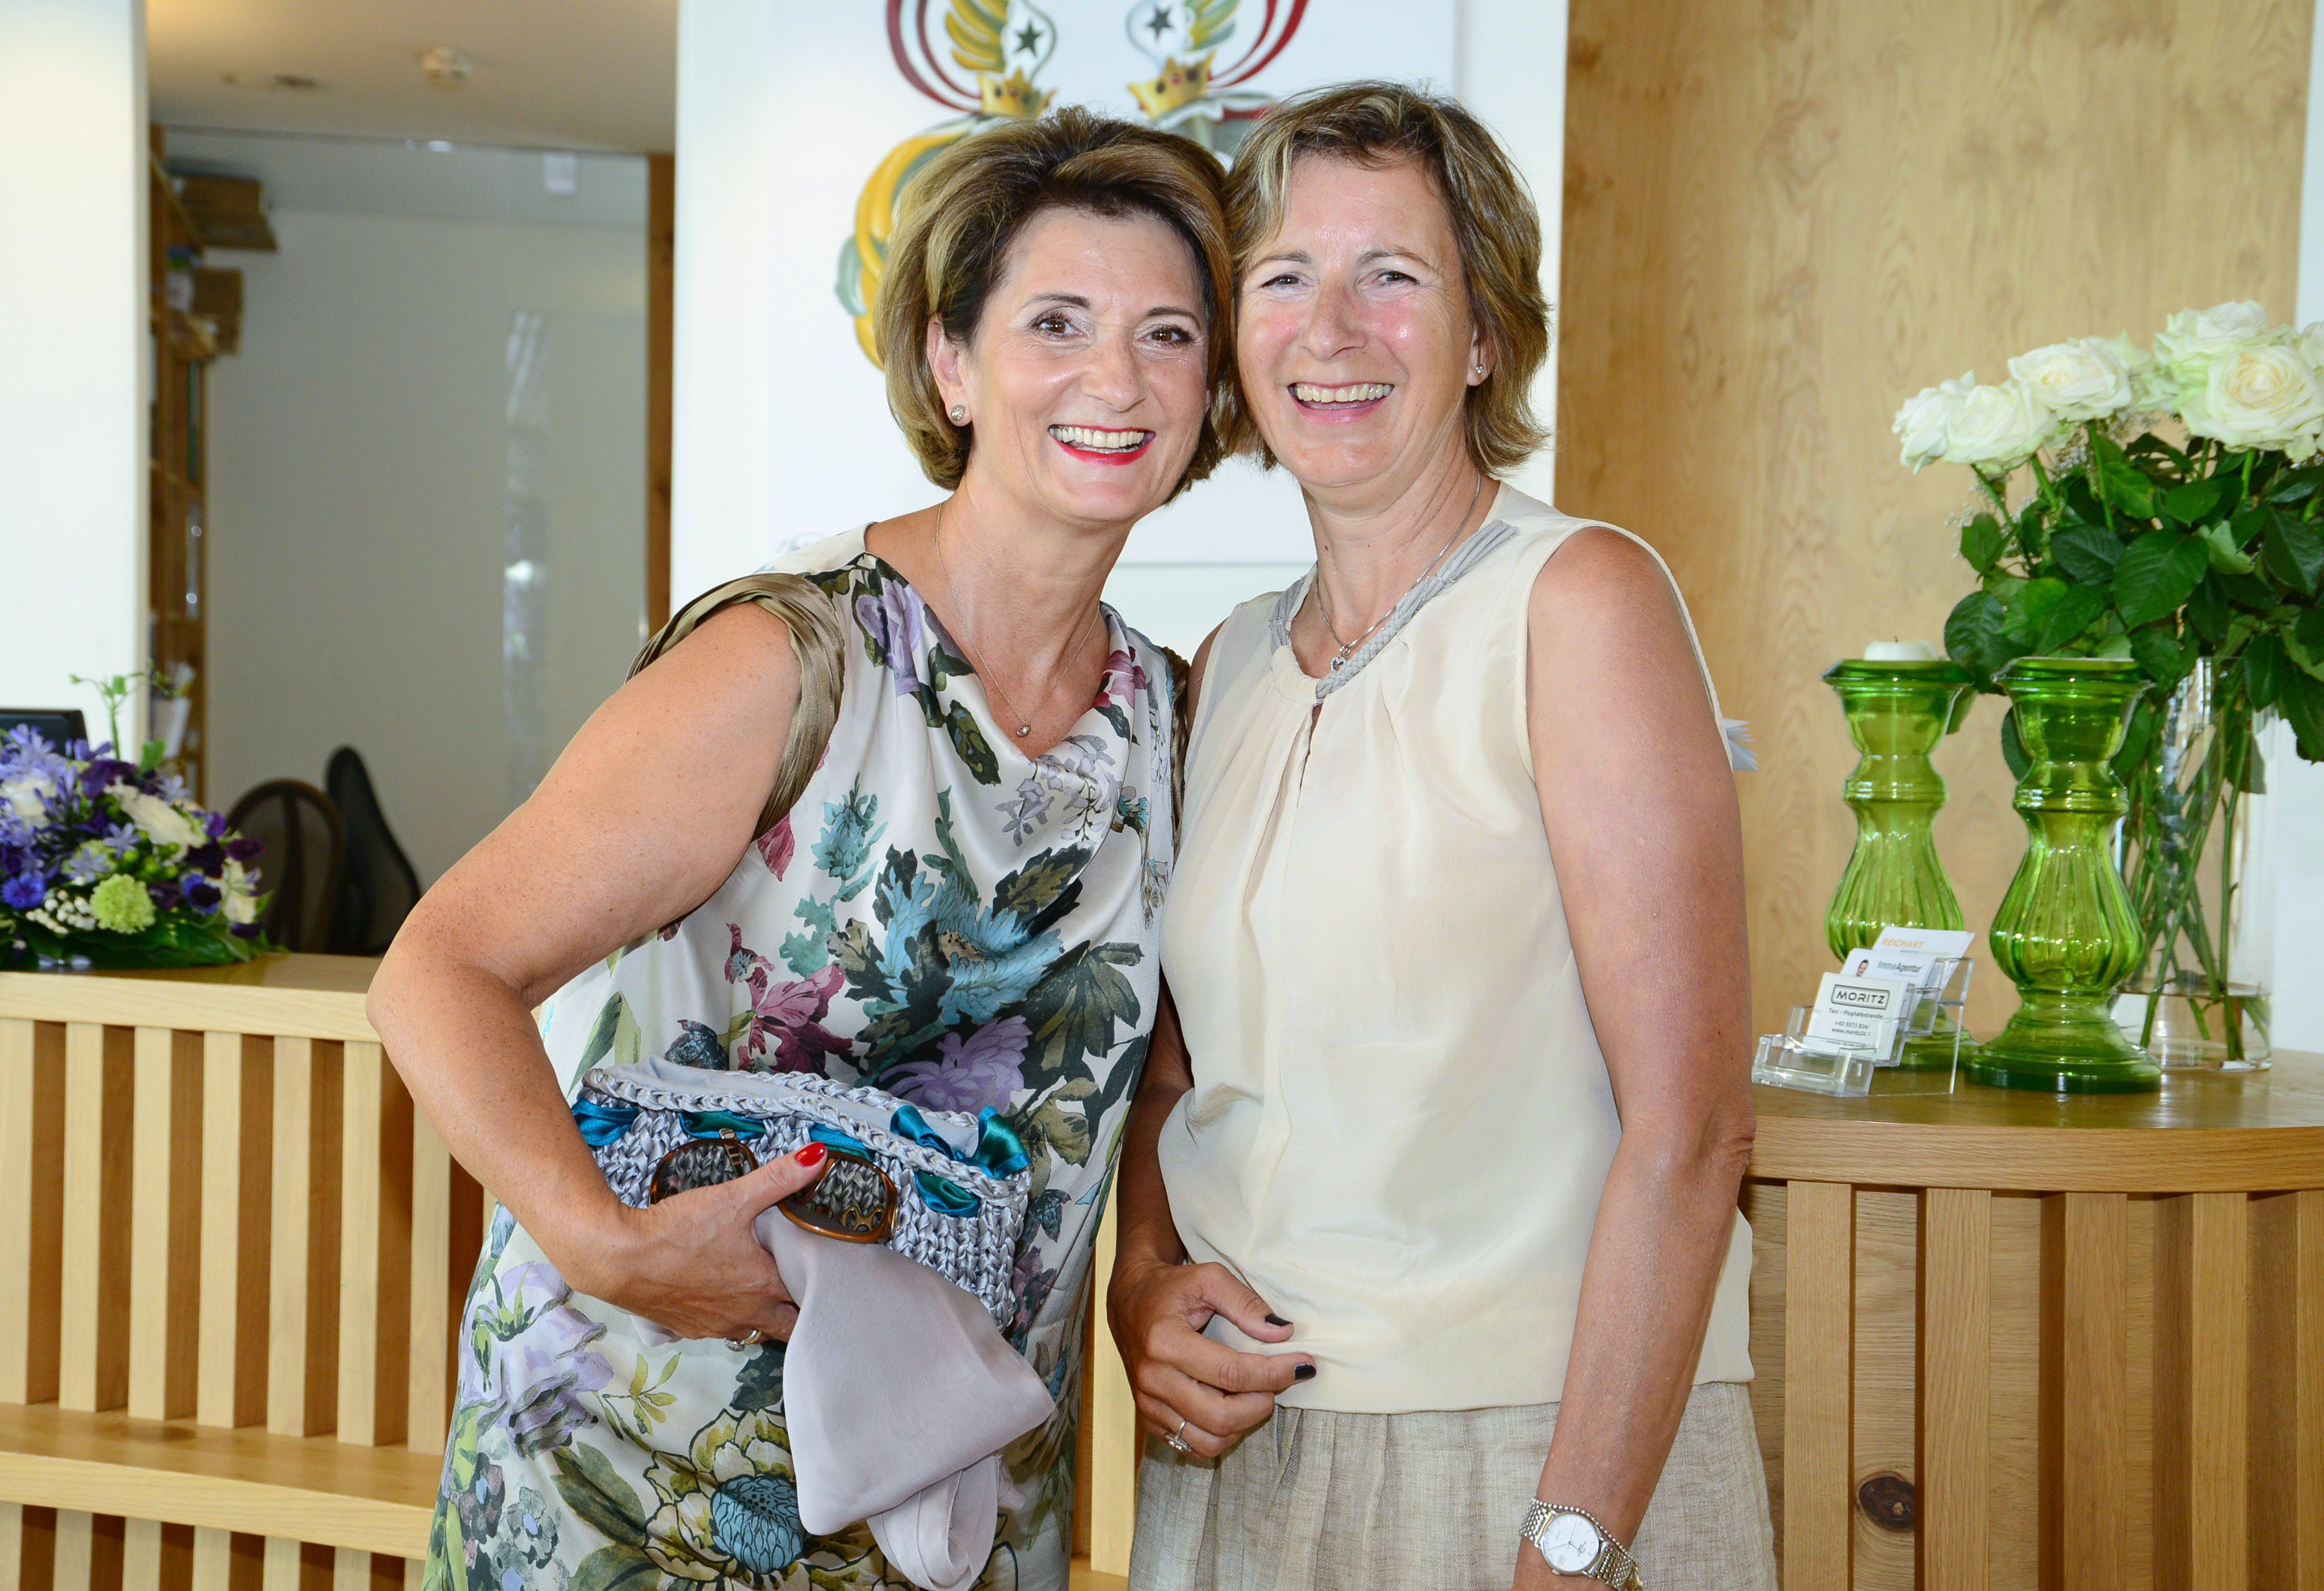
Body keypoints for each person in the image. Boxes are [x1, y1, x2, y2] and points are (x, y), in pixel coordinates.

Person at [370, 106, 1231, 1591]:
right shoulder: (794, 656)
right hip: (645, 1465)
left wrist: (1145, 1275)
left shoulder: (1166, 712)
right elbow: (438, 969)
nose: (1116, 377)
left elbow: (1158, 1080)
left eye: (1167, 334)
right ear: (951, 363)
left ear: (1210, 390)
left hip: (953, 1492)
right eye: (1056, 322)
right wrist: (600, 1242)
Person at [1109, 82, 1773, 1589]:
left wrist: (1571, 1541)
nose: (1331, 329)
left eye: (1392, 275)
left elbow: (1692, 1131)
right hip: (1238, 1459)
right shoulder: (1225, 663)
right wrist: (1140, 1286)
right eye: (1284, 277)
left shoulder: (1579, 602)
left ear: (1482, 336)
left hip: (1532, 1451)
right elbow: (1175, 1081)